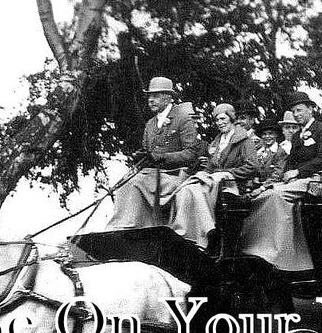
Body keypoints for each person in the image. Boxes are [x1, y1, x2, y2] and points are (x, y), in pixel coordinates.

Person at [240, 91, 322, 272]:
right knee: (265, 194)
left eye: (300, 110)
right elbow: (291, 160)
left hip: (316, 179)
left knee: (277, 195)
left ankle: (280, 252)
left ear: (310, 109)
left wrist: (297, 172)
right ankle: (259, 246)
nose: (297, 114)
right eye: (294, 111)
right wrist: (283, 176)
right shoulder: (298, 136)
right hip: (297, 180)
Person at [107, 76, 204, 230]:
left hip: (175, 176)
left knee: (134, 183)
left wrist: (162, 157)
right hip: (152, 176)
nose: (151, 100)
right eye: (149, 96)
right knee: (125, 184)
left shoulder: (183, 119)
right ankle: (129, 228)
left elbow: (191, 153)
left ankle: (131, 226)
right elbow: (148, 151)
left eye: (156, 96)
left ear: (168, 98)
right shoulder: (150, 124)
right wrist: (141, 156)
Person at [170, 103, 259, 249]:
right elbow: (211, 166)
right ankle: (187, 233)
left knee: (196, 190)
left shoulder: (244, 140)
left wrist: (228, 173)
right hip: (214, 182)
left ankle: (207, 231)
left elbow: (252, 166)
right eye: (217, 120)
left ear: (232, 119)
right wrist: (204, 172)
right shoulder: (217, 142)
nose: (220, 123)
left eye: (223, 119)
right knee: (185, 190)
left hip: (233, 185)